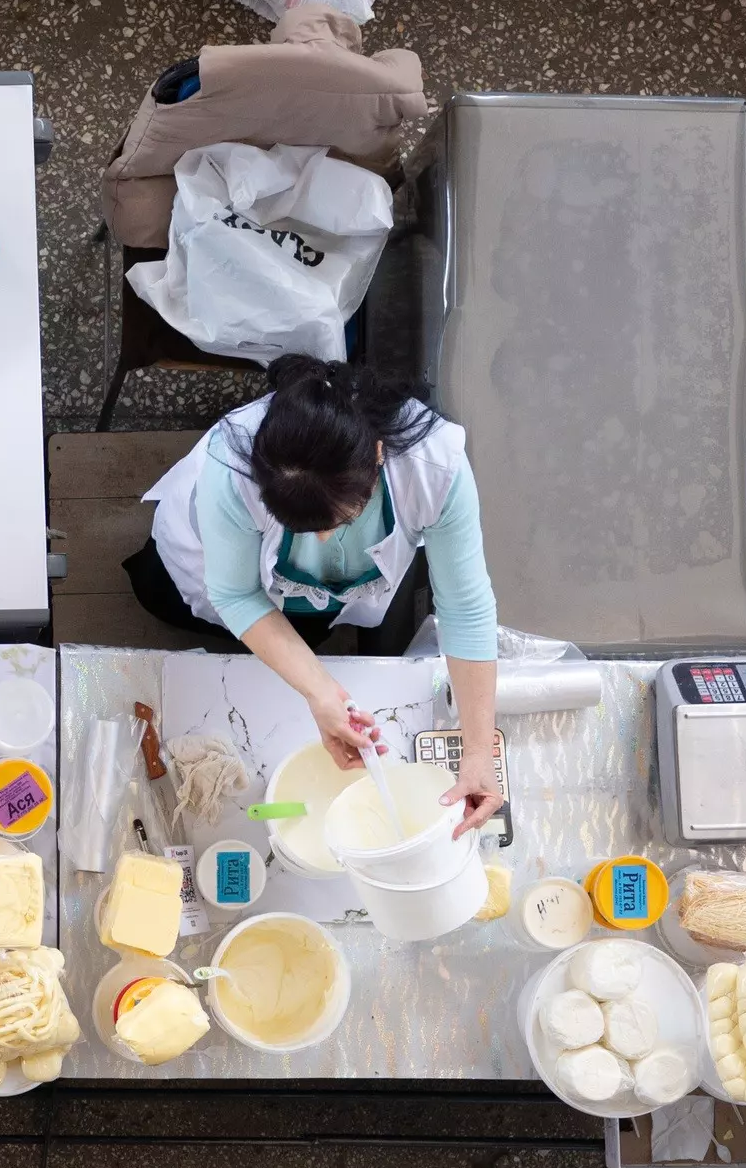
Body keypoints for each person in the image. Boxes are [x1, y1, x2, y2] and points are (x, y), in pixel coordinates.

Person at [126, 356, 502, 834]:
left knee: (310, 633)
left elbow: (465, 607)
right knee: (161, 596)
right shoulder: (232, 464)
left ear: (378, 456)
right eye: (303, 526)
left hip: (315, 598)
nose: (324, 541)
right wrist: (320, 690)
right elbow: (237, 594)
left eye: (340, 521)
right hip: (206, 564)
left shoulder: (435, 465)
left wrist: (477, 752)